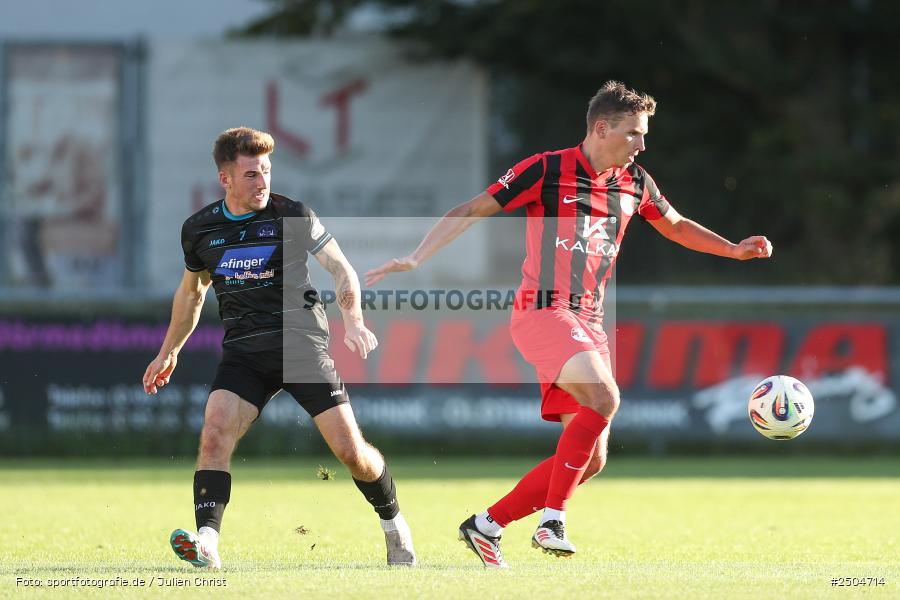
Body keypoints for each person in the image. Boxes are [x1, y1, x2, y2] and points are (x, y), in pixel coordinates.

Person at [365, 81, 772, 568]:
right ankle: (552, 519)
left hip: (589, 322)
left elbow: (677, 224)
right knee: (606, 399)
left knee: (591, 459)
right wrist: (416, 257)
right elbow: (472, 209)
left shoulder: (636, 181)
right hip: (544, 312)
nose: (642, 143)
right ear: (602, 128)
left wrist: (731, 248)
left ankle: (486, 525)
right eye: (634, 133)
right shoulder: (546, 169)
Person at [143, 126, 416, 569]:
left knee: (351, 452)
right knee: (214, 433)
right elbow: (192, 293)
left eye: (266, 171)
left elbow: (341, 268)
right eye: (251, 174)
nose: (263, 182)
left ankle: (393, 523)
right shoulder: (199, 229)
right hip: (244, 354)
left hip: (301, 346)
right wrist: (168, 350)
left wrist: (354, 322)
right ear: (225, 178)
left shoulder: (292, 215)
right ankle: (207, 542)